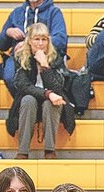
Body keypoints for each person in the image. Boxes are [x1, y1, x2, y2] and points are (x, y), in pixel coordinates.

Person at [7, 23, 70, 161]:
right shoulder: (20, 57)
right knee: (28, 99)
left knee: (51, 103)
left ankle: (50, 150)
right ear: (29, 41)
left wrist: (45, 66)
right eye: (37, 39)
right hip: (28, 102)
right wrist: (47, 94)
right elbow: (23, 86)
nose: (40, 43)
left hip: (52, 103)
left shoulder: (56, 58)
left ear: (48, 41)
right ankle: (22, 151)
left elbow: (58, 88)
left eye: (44, 39)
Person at [0, 0, 69, 89]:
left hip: (47, 56)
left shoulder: (54, 12)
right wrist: (7, 33)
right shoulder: (17, 13)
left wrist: (28, 45)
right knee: (10, 76)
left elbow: (60, 40)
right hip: (19, 58)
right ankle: (23, 100)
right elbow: (1, 45)